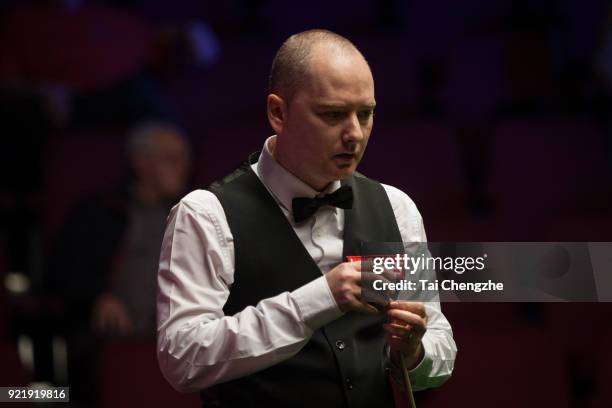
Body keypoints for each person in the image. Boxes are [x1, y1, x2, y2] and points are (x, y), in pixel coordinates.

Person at [157, 29, 456, 407]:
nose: (354, 134)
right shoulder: (204, 214)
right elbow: (182, 359)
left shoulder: (396, 207)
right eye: (332, 114)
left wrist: (412, 353)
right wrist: (321, 299)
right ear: (278, 113)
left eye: (365, 114)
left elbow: (440, 344)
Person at [46, 122, 191, 405]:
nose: (184, 166)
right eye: (172, 158)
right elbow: (63, 272)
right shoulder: (100, 211)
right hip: (112, 338)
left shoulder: (192, 213)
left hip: (179, 341)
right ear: (141, 163)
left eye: (186, 157)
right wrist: (97, 297)